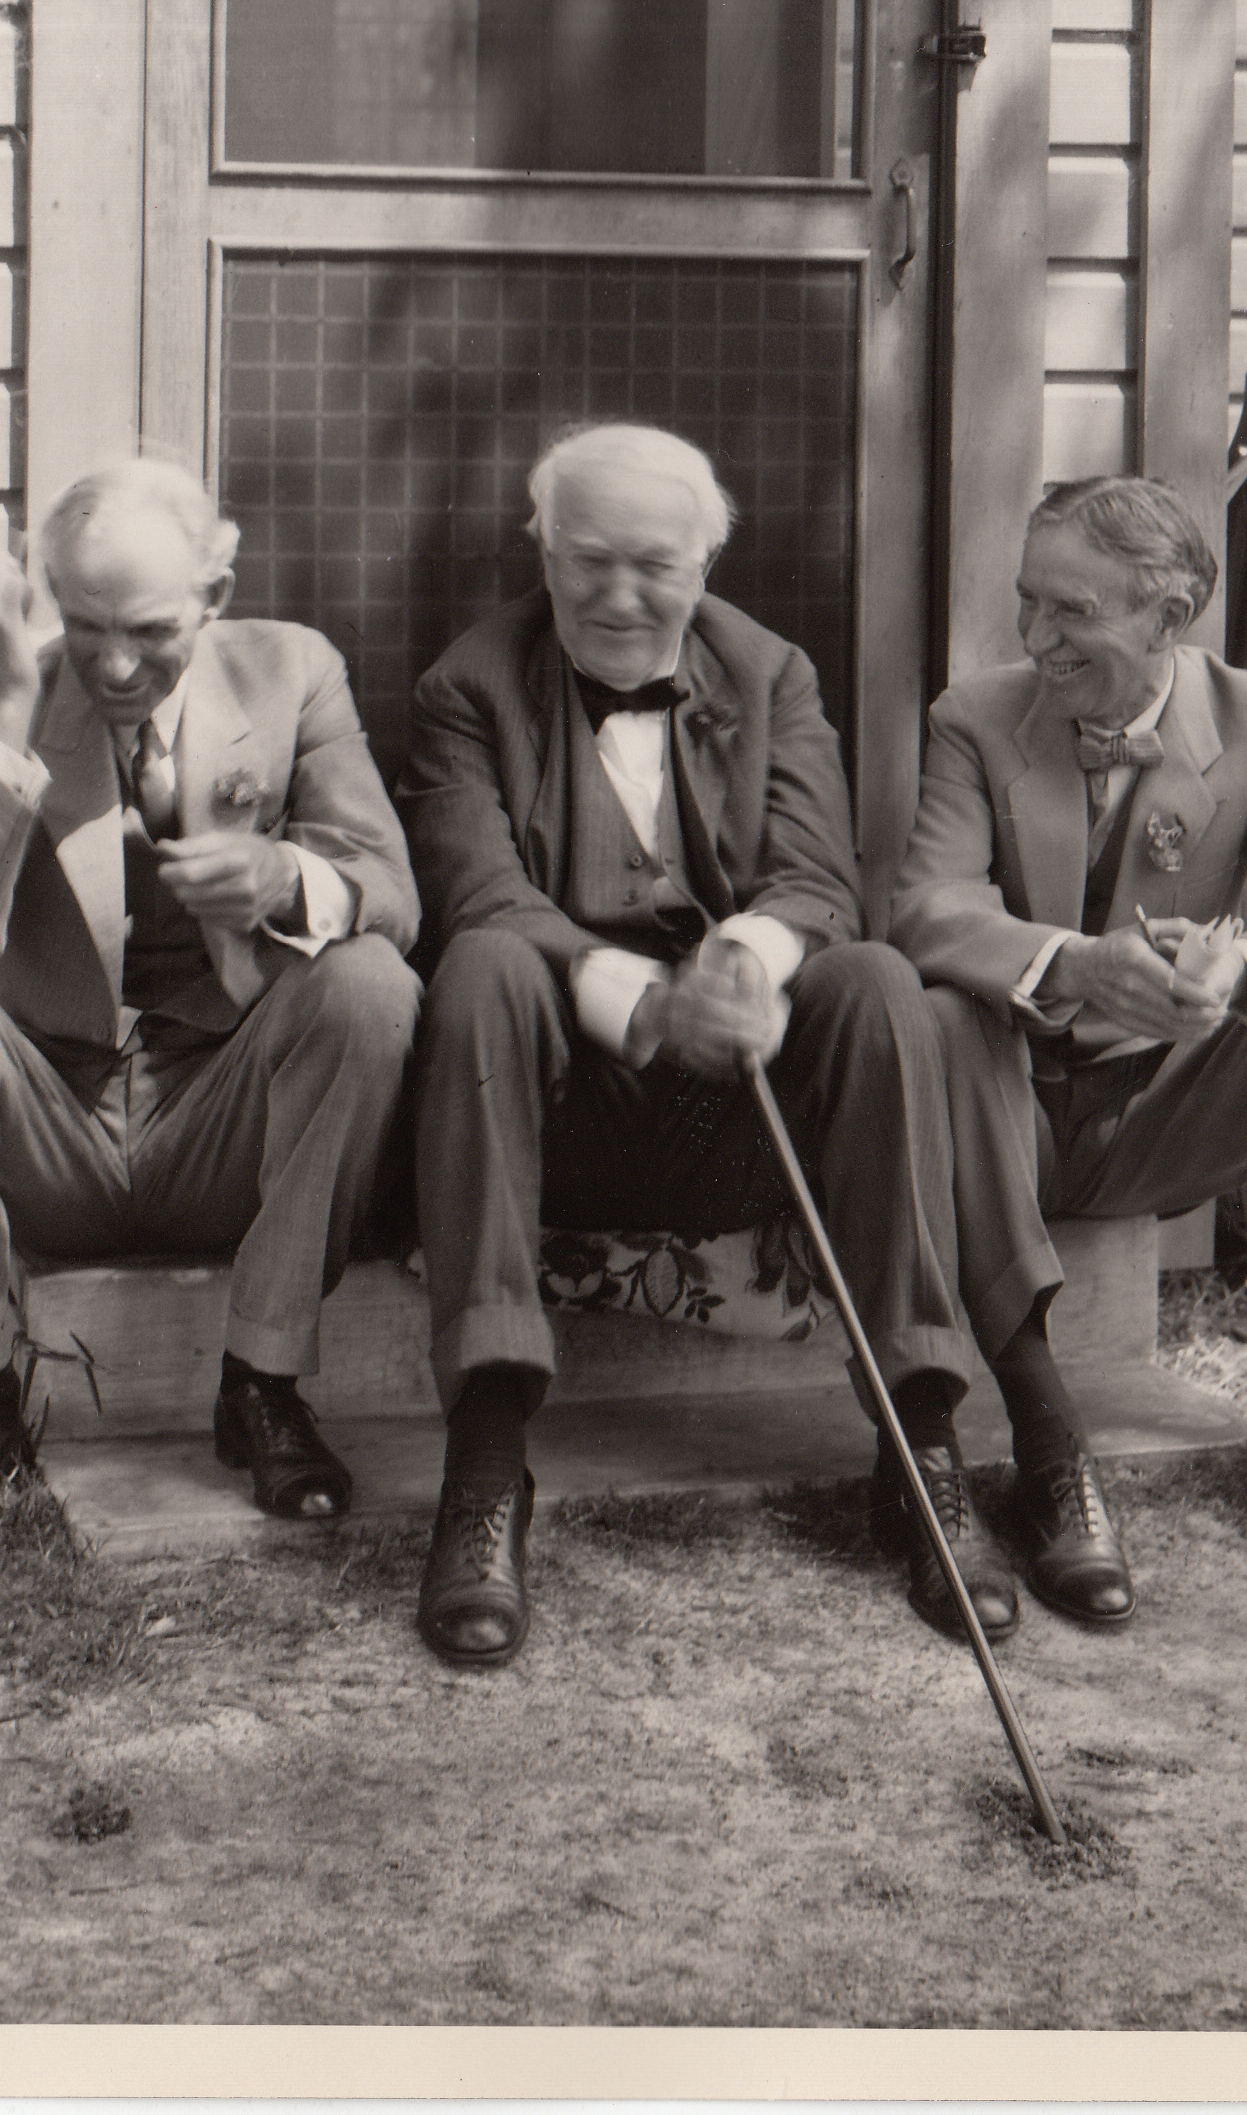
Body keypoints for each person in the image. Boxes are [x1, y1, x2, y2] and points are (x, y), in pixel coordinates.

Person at [398, 422, 999, 1670]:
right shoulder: (467, 686)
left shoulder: (770, 671)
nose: (620, 594)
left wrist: (748, 966)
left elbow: (815, 881)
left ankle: (918, 1448)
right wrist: (642, 998)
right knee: (480, 968)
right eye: (588, 560)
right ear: (541, 552)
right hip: (562, 1116)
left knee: (879, 982)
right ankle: (486, 1467)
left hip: (740, 1116)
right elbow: (481, 896)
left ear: (706, 563)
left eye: (654, 566)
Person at [0, 457, 421, 1578]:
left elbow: (388, 891)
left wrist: (283, 878)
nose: (112, 663)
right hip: (51, 1122)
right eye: (85, 623)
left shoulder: (292, 673)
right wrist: (7, 705)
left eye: (149, 629)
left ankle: (262, 1385)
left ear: (215, 589)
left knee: (369, 986)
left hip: (223, 1120)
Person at [892, 474, 1247, 1622]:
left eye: (1072, 612)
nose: (1037, 638)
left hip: (1160, 1114)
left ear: (1169, 616)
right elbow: (921, 910)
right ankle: (1052, 1450)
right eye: (1026, 604)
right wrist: (1067, 960)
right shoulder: (972, 718)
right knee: (946, 1007)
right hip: (1005, 1125)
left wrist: (1240, 968)